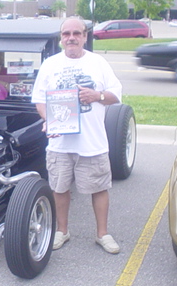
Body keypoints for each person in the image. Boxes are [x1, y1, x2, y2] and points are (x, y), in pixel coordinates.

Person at [32, 17, 122, 253]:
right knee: (60, 188)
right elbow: (39, 100)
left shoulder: (98, 63)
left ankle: (102, 234)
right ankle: (62, 231)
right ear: (61, 38)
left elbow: (116, 95)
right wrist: (48, 121)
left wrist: (96, 96)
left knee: (99, 188)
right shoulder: (50, 64)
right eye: (66, 34)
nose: (71, 38)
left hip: (92, 142)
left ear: (85, 36)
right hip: (60, 143)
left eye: (76, 33)